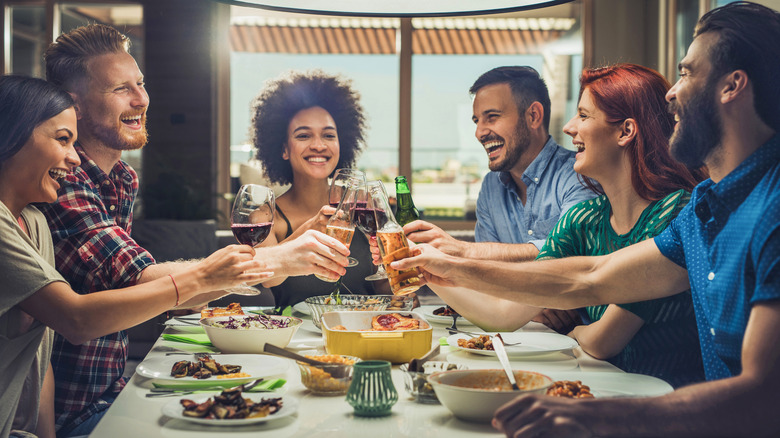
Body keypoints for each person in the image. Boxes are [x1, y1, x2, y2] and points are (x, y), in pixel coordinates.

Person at [391, 2, 780, 436]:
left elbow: (766, 398)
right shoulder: (704, 209)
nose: (672, 91)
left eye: (687, 73)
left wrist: (605, 417)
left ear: (733, 86)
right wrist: (444, 266)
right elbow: (591, 277)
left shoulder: (770, 209)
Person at [39, 24, 349, 437]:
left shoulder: (121, 180)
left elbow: (157, 295)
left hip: (114, 390)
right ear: (74, 105)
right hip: (76, 414)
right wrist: (279, 257)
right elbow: (138, 278)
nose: (141, 99)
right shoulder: (62, 178)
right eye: (120, 89)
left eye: (141, 83)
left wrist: (268, 261)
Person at [0, 75, 268, 438]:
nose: (75, 159)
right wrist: (206, 276)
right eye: (63, 139)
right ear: (11, 135)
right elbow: (75, 319)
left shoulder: (32, 221)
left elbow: (39, 360)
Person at [428, 64, 706, 387]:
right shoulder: (583, 219)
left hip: (673, 408)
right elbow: (502, 312)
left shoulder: (676, 212)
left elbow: (604, 339)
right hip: (606, 393)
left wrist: (575, 332)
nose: (571, 128)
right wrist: (425, 268)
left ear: (625, 131)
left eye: (584, 116)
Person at [402, 66, 597, 332]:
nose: (480, 132)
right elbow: (485, 279)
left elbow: (571, 257)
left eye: (491, 117)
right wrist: (535, 303)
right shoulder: (491, 187)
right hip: (510, 334)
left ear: (533, 115)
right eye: (476, 121)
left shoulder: (579, 175)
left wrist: (463, 251)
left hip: (575, 344)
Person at [251, 71, 391, 309]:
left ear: (341, 145)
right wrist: (308, 231)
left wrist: (398, 276)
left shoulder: (364, 205)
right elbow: (268, 278)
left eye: (328, 135)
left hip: (364, 334)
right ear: (284, 149)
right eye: (304, 135)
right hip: (293, 341)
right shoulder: (265, 218)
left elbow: (384, 289)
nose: (318, 145)